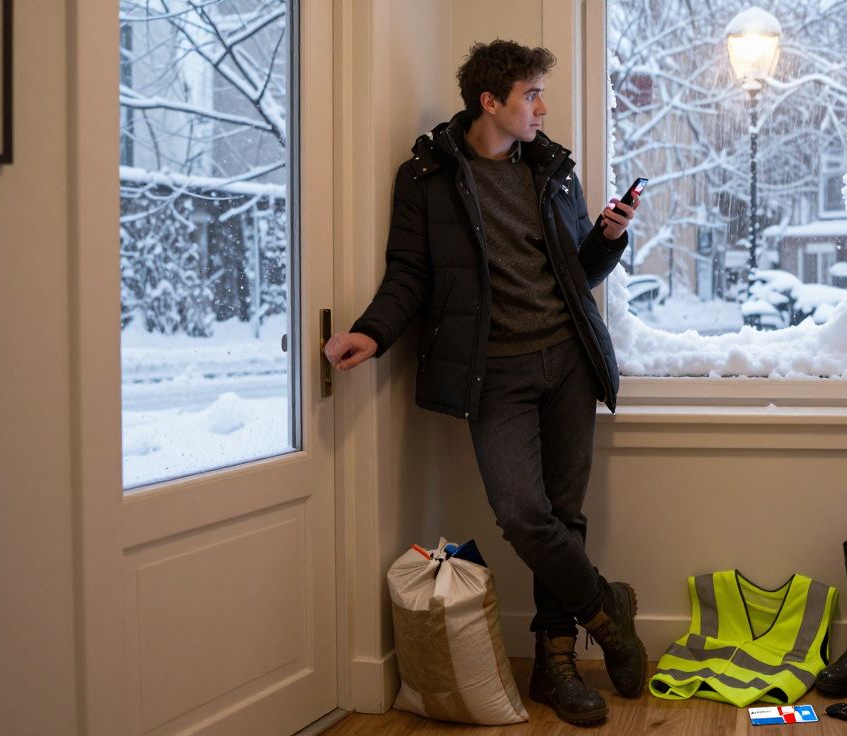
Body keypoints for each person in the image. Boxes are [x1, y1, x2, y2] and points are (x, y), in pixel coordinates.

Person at [322, 40, 644, 726]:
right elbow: (409, 274)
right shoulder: (427, 177)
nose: (542, 107)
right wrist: (371, 333)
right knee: (524, 515)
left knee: (565, 515)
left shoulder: (552, 169)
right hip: (492, 373)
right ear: (489, 102)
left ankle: (557, 665)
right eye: (531, 95)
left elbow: (575, 271)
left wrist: (609, 237)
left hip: (568, 361)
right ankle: (606, 612)